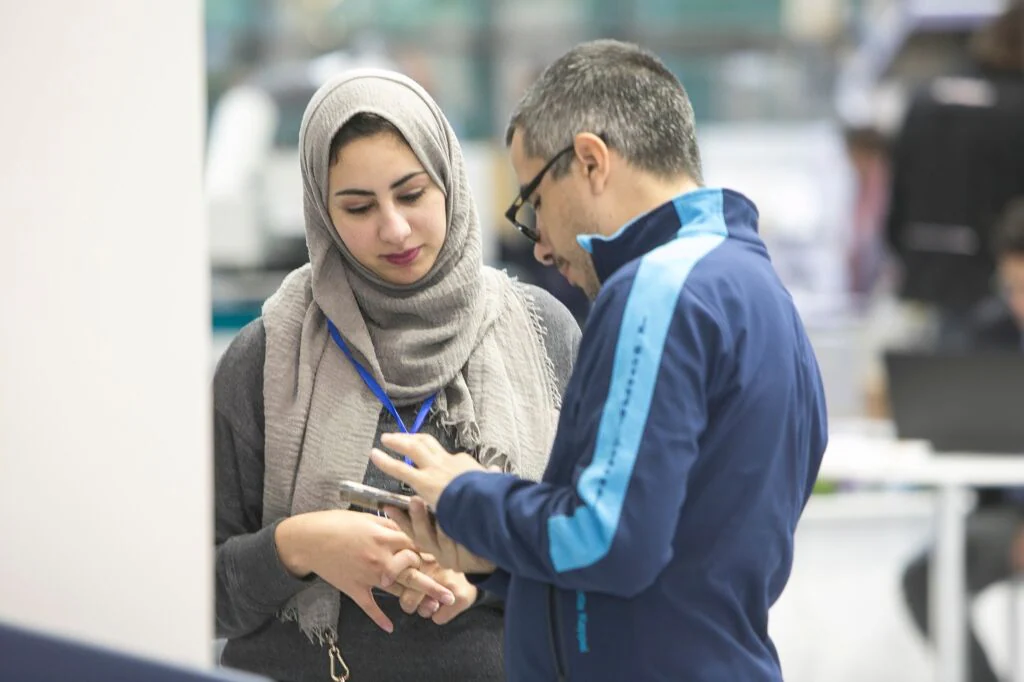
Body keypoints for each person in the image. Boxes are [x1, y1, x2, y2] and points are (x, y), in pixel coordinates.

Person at [371, 40, 829, 681]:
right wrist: (494, 556)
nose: (541, 245)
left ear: (589, 160)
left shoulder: (657, 291)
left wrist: (465, 492)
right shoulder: (757, 292)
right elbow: (680, 563)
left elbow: (607, 538)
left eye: (533, 203)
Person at [213, 70, 581, 682]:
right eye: (358, 207)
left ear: (448, 180)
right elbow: (196, 589)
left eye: (411, 194)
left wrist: (487, 576)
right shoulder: (269, 355)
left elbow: (596, 552)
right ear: (320, 211)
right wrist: (300, 546)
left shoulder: (543, 334)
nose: (395, 229)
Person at [902, 197, 1024, 682]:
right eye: (1012, 287)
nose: (1019, 303)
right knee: (927, 579)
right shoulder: (990, 334)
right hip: (1005, 515)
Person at [885, 0, 1024, 342]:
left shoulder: (924, 98)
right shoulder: (1016, 108)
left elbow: (897, 195)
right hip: (1000, 284)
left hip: (925, 274)